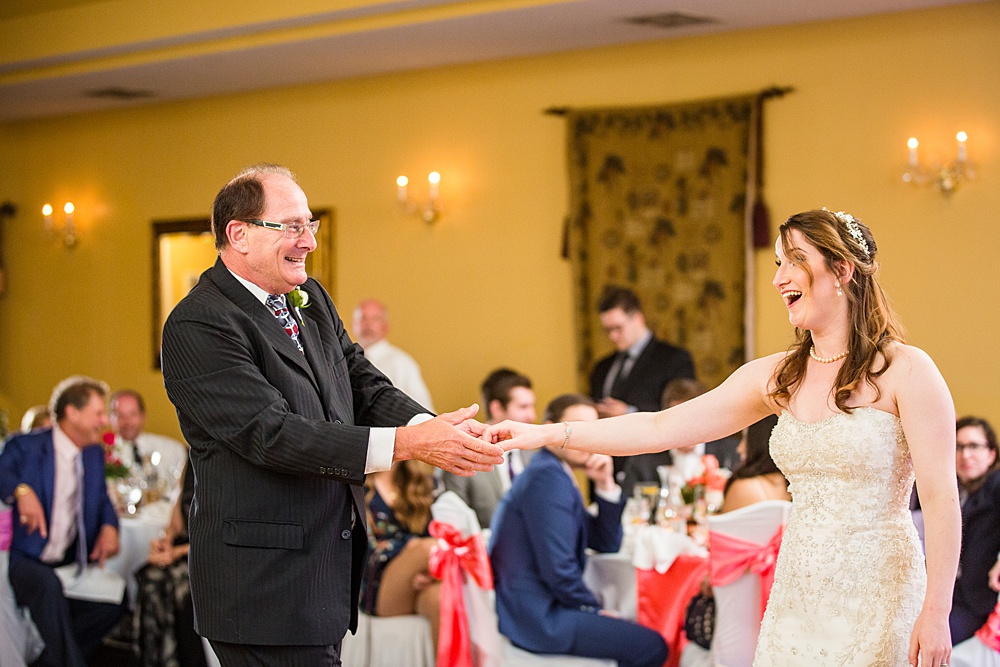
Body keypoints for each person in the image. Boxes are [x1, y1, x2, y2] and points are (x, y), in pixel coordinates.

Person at [487, 208, 960, 667]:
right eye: (778, 264)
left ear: (842, 269)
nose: (779, 279)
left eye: (794, 260)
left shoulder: (907, 370)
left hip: (880, 586)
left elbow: (940, 498)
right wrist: (547, 432)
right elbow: (658, 427)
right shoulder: (778, 376)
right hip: (798, 588)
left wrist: (936, 612)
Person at [160, 163, 502, 665]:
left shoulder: (311, 299)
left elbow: (362, 382)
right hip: (262, 585)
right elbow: (271, 435)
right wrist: (411, 446)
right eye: (292, 226)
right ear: (239, 234)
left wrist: (429, 427)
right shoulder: (198, 323)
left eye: (310, 224)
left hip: (321, 574)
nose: (309, 242)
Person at [488, 394, 669, 667]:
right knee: (651, 646)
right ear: (549, 428)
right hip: (540, 617)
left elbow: (605, 542)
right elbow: (558, 568)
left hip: (541, 608)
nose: (585, 439)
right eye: (574, 429)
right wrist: (594, 610)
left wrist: (606, 485)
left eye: (591, 430)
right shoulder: (547, 479)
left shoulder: (555, 471)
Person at [0, 376, 124, 667]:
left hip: (70, 560)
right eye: (98, 413)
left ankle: (49, 660)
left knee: (116, 603)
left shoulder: (93, 452)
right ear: (72, 412)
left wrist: (110, 526)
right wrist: (22, 489)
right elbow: (1, 471)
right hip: (27, 559)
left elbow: (103, 499)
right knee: (48, 589)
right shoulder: (27, 446)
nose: (105, 421)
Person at [589, 285, 695, 483]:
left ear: (637, 318)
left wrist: (629, 413)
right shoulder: (602, 367)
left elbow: (684, 411)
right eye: (607, 330)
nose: (612, 336)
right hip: (609, 465)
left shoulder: (673, 359)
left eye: (618, 328)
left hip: (652, 468)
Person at [441, 368, 536, 529]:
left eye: (532, 406)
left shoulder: (536, 454)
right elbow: (454, 522)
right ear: (497, 409)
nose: (532, 416)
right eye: (523, 407)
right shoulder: (463, 456)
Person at [360, 460, 441, 650]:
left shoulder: (422, 483)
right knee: (429, 548)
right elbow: (367, 551)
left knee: (441, 599)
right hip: (377, 586)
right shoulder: (358, 485)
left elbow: (432, 533)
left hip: (417, 582)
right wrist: (411, 549)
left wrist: (425, 574)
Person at [133, 465, 206, 667]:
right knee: (150, 577)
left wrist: (175, 553)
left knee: (176, 584)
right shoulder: (191, 460)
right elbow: (176, 518)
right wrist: (165, 542)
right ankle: (154, 660)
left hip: (206, 555)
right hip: (183, 549)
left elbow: (215, 539)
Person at [949, 416, 1000, 644]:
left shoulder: (996, 484)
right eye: (958, 446)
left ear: (991, 454)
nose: (965, 455)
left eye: (974, 446)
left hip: (979, 601)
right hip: (950, 595)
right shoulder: (955, 490)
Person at [352, 298, 435, 412]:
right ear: (353, 325)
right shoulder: (345, 361)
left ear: (386, 326)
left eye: (375, 319)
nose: (368, 324)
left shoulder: (402, 363)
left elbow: (424, 412)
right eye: (362, 318)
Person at [109, 389, 188, 500]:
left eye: (133, 414)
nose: (127, 422)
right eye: (120, 415)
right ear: (110, 418)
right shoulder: (105, 455)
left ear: (143, 416)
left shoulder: (171, 448)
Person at [719, 414, 791, 513]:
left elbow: (720, 528)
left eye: (745, 438)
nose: (739, 449)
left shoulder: (745, 487)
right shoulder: (794, 485)